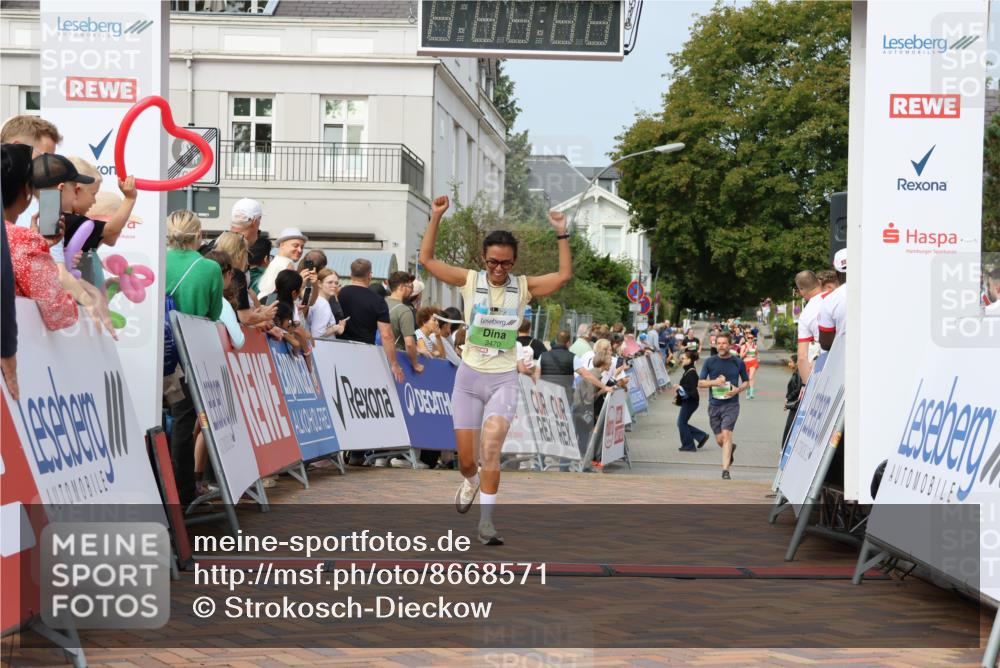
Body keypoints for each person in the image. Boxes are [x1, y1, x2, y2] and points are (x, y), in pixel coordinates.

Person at [419, 194, 571, 545]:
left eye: (505, 263)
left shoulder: (524, 287)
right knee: (467, 461)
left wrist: (561, 233)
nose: (499, 269)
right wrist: (436, 216)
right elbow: (426, 260)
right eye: (493, 262)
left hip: (503, 379)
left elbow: (563, 276)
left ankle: (486, 524)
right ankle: (470, 481)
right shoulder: (471, 280)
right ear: (484, 260)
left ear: (514, 262)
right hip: (469, 379)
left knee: (491, 450)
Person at [163, 210, 224, 507]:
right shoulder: (209, 268)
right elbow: (213, 314)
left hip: (155, 352)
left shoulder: (158, 260)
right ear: (198, 234)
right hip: (187, 355)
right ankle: (182, 492)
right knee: (184, 422)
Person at [338, 258, 405, 383]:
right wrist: (394, 364)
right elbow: (386, 335)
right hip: (364, 353)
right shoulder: (378, 300)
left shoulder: (341, 293)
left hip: (338, 349)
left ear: (351, 275)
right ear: (370, 275)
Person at [698, 332, 749, 480]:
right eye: (719, 343)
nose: (721, 346)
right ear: (715, 344)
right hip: (714, 405)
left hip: (731, 404)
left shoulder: (738, 362)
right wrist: (715, 382)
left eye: (724, 343)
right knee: (720, 439)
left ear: (730, 345)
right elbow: (700, 383)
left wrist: (738, 390)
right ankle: (730, 449)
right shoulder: (709, 362)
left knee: (727, 435)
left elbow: (746, 381)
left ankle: (725, 470)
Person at [794, 270, 827, 384]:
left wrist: (806, 385)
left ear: (802, 290)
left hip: (828, 364)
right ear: (818, 282)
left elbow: (802, 357)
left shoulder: (806, 314)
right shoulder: (838, 297)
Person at [386, 270, 422, 372]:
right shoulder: (405, 311)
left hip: (378, 354)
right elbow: (409, 343)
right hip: (398, 360)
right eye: (410, 287)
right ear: (401, 287)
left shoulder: (380, 303)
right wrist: (415, 364)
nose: (411, 291)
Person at [257, 227, 307, 298]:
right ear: (282, 245)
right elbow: (286, 295)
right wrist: (300, 282)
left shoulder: (276, 261)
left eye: (302, 247)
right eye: (295, 246)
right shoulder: (286, 264)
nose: (300, 250)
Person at [675, 350, 709, 452]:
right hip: (690, 401)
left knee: (681, 423)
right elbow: (687, 389)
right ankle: (701, 436)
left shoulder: (691, 372)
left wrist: (679, 387)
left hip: (691, 402)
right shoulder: (688, 370)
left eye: (683, 358)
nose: (681, 360)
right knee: (682, 422)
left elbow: (689, 389)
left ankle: (689, 445)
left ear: (689, 360)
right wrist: (678, 397)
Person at [818, 249, 847, 351]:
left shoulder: (831, 300)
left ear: (836, 272)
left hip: (842, 361)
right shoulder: (875, 293)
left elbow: (826, 344)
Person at [307, 269, 348, 339]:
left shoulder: (317, 301)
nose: (334, 285)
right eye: (330, 282)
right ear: (319, 284)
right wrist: (336, 327)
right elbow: (317, 334)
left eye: (336, 283)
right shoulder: (322, 304)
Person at [782, 354, 803, 449]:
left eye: (790, 362)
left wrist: (788, 398)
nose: (789, 364)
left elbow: (798, 388)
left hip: (795, 404)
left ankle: (785, 448)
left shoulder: (799, 373)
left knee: (790, 427)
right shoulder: (797, 372)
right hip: (794, 403)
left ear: (796, 362)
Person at [740, 334, 760, 399]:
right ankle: (747, 390)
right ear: (746, 338)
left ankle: (751, 393)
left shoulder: (755, 346)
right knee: (747, 378)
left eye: (751, 338)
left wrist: (757, 358)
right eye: (749, 338)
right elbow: (741, 356)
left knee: (751, 376)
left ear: (753, 338)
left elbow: (757, 353)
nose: (750, 339)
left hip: (753, 362)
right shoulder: (744, 346)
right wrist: (746, 350)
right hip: (745, 363)